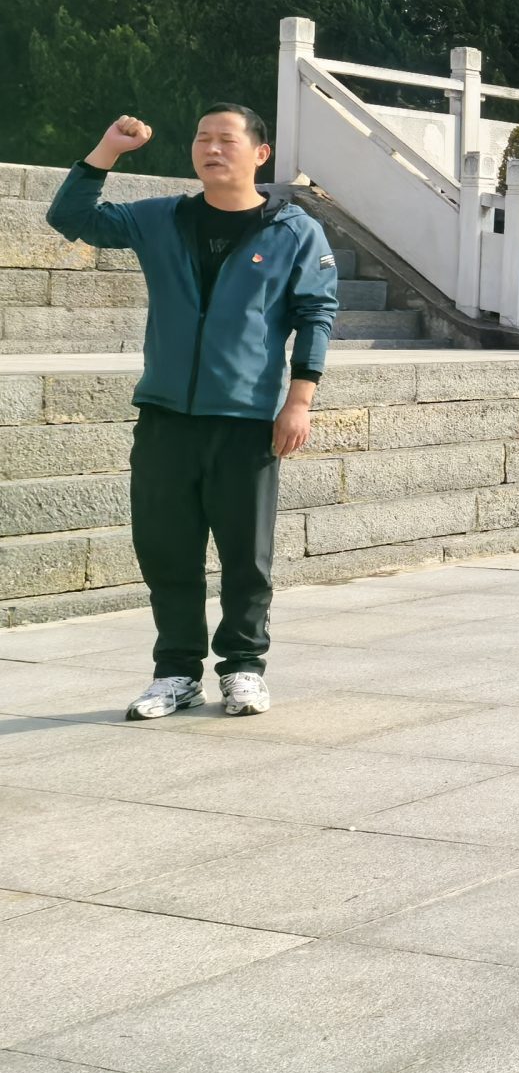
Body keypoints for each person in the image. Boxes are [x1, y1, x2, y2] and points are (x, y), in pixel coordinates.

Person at [45, 107, 338, 720]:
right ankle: (176, 673)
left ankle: (243, 667)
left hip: (247, 421)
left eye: (227, 139)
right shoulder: (162, 218)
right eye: (203, 138)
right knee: (166, 550)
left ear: (260, 153)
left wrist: (299, 401)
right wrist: (107, 149)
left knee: (246, 556)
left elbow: (316, 315)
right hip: (166, 416)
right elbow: (70, 218)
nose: (212, 148)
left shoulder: (294, 231)